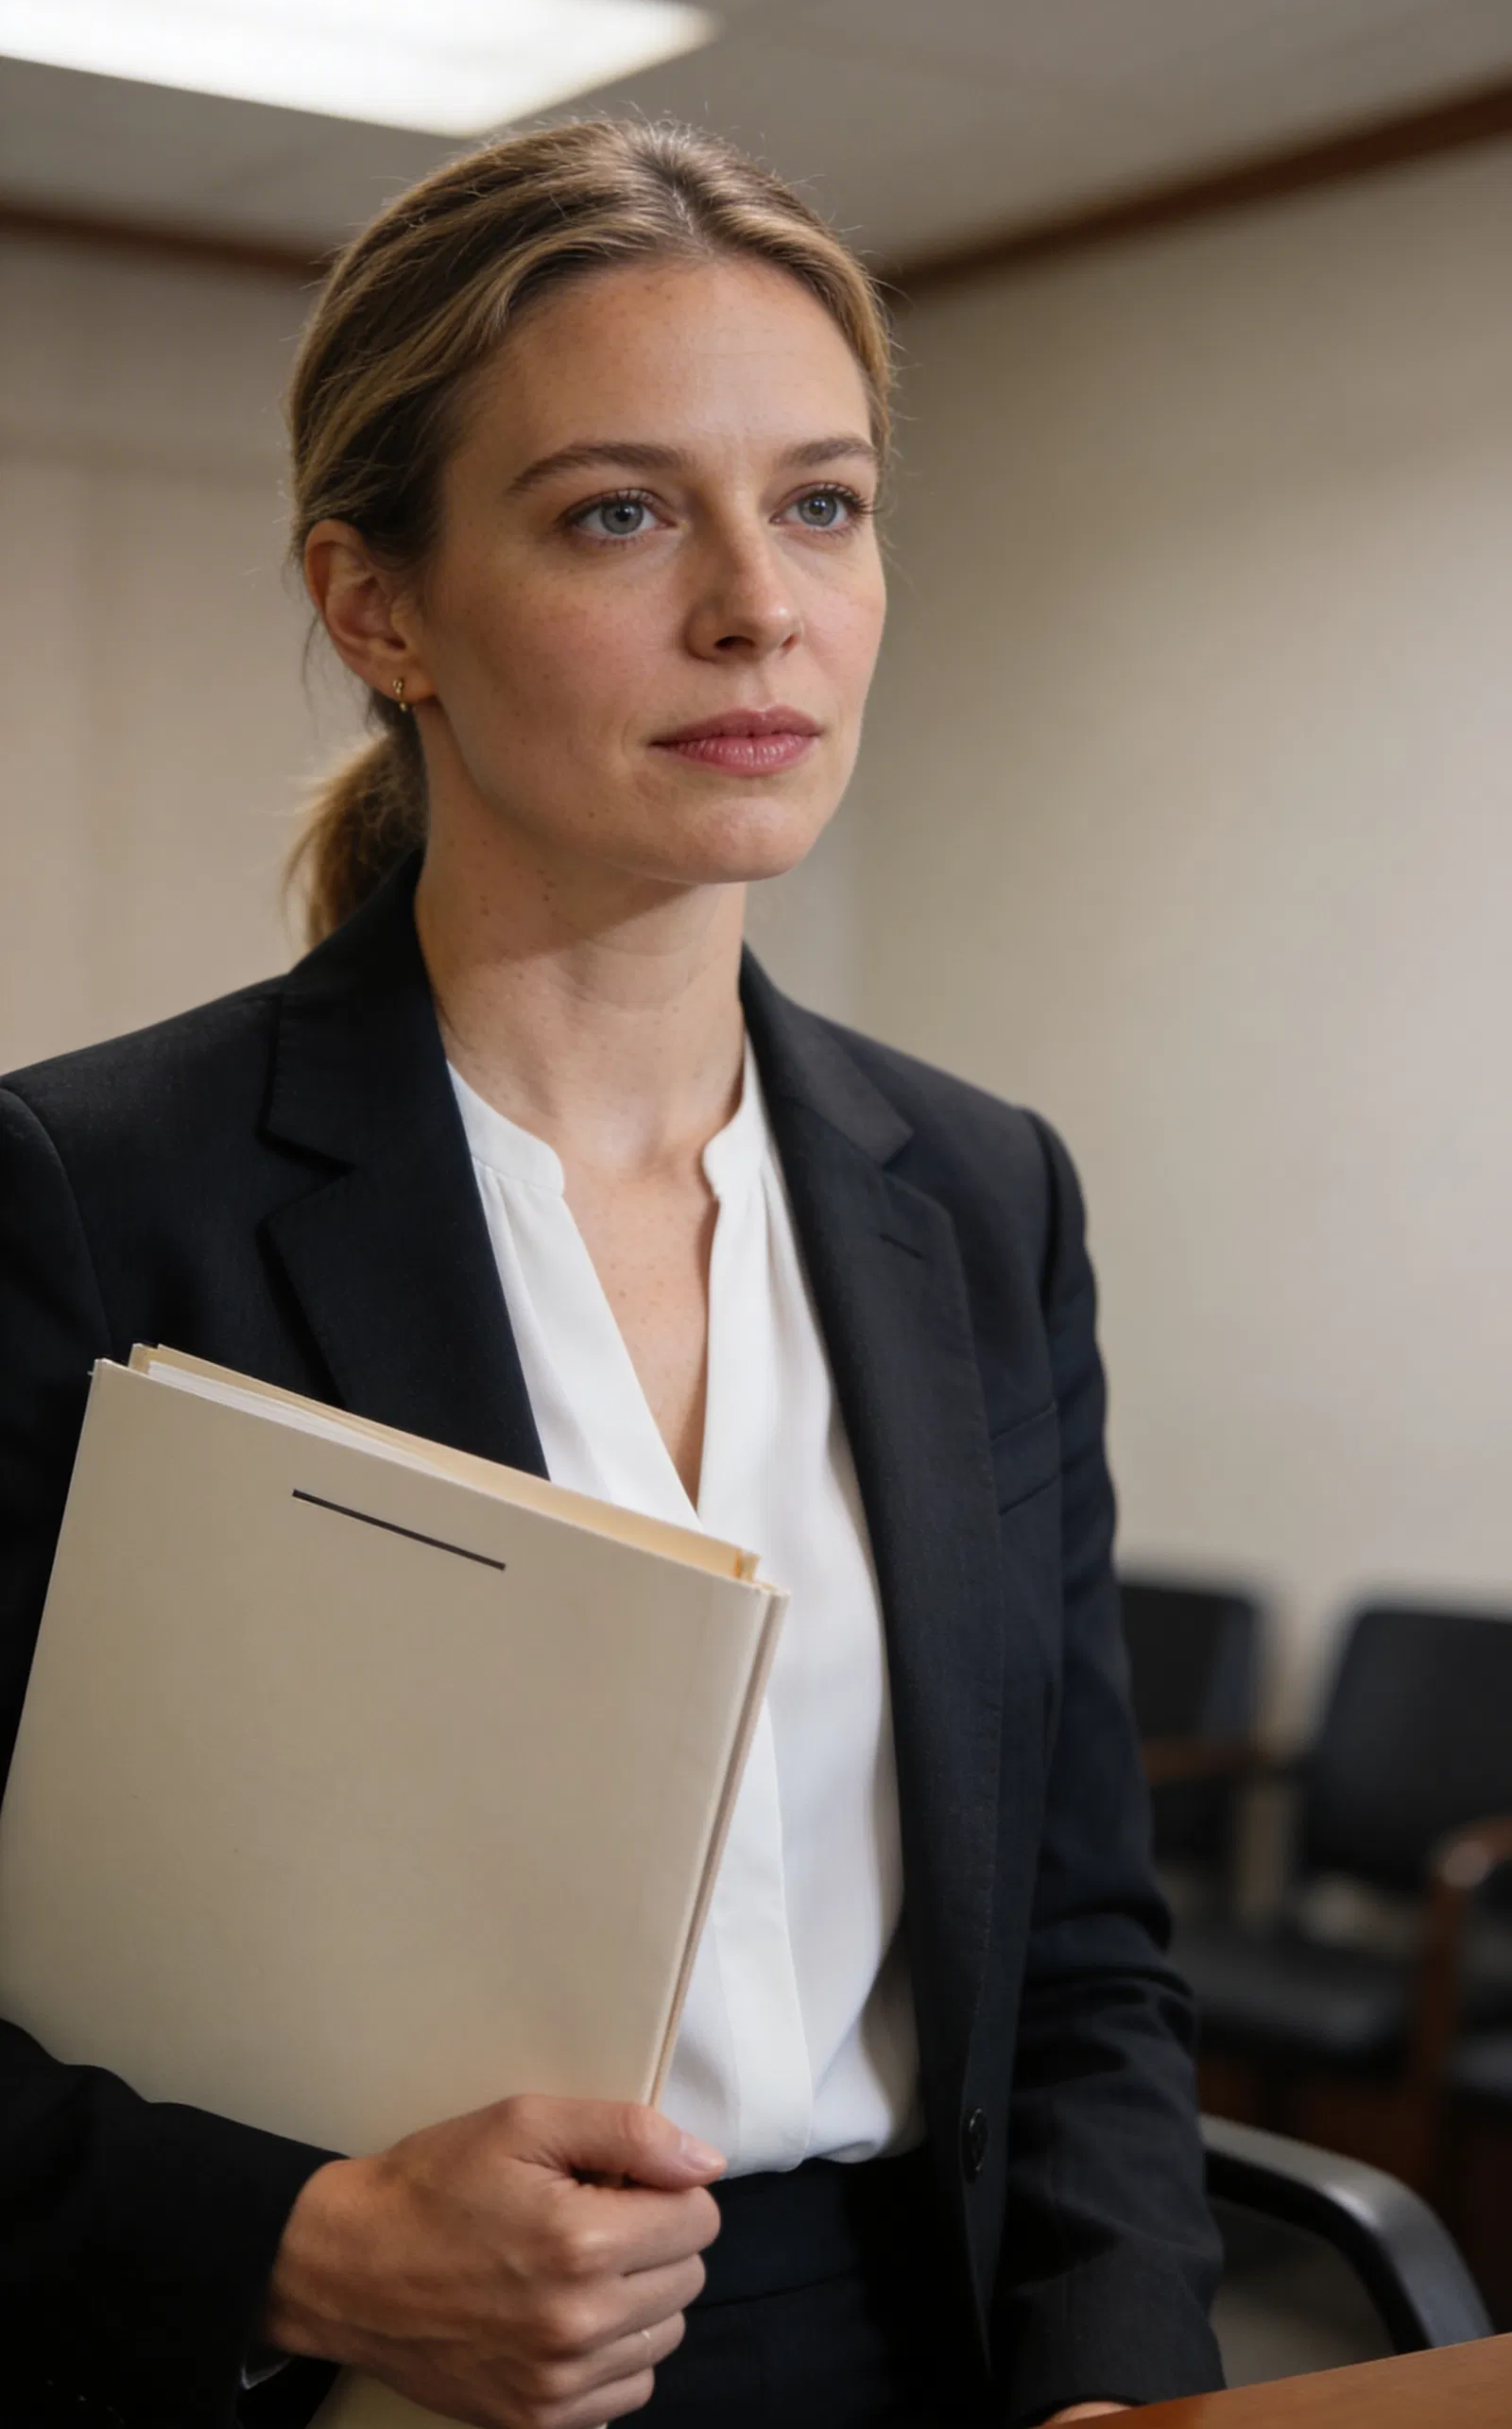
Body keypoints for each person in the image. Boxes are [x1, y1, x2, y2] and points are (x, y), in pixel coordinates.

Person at [0, 119, 1224, 2429]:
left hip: (927, 2350)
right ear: (379, 610)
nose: (759, 604)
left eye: (824, 503)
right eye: (618, 512)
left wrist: (1115, 2383)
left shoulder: (980, 1200)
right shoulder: (84, 1195)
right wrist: (295, 2250)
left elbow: (1073, 1952)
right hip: (368, 2376)